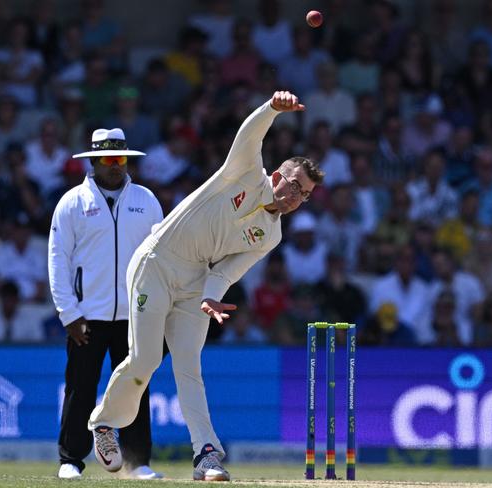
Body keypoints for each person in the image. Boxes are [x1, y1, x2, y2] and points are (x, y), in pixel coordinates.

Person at [87, 91, 324, 481]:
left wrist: (212, 295)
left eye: (306, 195)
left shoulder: (272, 235)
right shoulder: (244, 171)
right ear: (279, 176)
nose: (297, 197)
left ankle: (206, 456)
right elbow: (251, 135)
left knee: (189, 366)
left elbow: (229, 269)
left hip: (196, 280)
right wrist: (271, 109)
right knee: (145, 360)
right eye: (296, 186)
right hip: (156, 262)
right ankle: (104, 424)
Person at [48, 128, 164, 480]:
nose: (116, 166)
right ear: (94, 162)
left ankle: (138, 461)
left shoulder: (146, 200)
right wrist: (69, 313)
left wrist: (158, 308)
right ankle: (70, 459)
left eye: (121, 159)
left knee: (135, 388)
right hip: (87, 315)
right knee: (80, 387)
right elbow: (58, 260)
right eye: (109, 160)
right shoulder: (72, 203)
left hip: (135, 314)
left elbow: (160, 257)